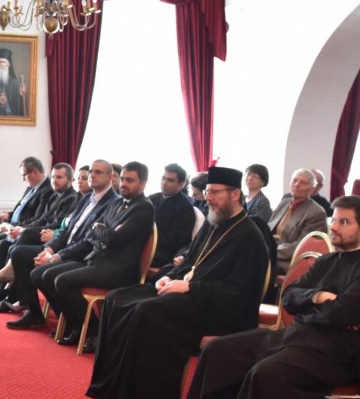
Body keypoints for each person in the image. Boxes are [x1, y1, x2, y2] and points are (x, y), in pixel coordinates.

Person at [188, 196, 360, 399]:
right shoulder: (326, 261)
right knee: (218, 351)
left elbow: (340, 314)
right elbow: (289, 298)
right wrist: (318, 297)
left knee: (268, 373)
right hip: (299, 337)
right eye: (334, 220)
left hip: (339, 353)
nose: (334, 227)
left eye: (343, 222)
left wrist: (308, 308)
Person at [86, 166, 268, 399]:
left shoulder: (250, 237)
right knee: (116, 299)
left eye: (215, 192)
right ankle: (111, 387)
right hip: (189, 295)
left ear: (235, 194)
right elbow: (190, 261)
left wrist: (190, 287)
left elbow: (238, 293)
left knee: (148, 311)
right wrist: (169, 276)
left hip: (218, 311)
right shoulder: (213, 223)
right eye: (207, 191)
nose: (208, 198)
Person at [45, 161, 154, 351]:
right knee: (49, 275)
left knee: (62, 281)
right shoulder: (116, 202)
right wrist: (102, 232)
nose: (123, 184)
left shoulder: (144, 207)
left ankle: (94, 331)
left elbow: (113, 238)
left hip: (118, 269)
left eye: (130, 180)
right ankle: (77, 326)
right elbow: (94, 233)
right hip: (98, 260)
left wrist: (104, 233)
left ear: (143, 184)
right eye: (122, 179)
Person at [3, 160, 117, 325]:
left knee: (42, 274)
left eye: (98, 172)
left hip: (82, 256)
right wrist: (49, 249)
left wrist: (55, 257)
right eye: (91, 171)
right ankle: (34, 312)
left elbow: (88, 242)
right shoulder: (86, 198)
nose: (92, 175)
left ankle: (75, 324)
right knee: (19, 253)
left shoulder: (113, 203)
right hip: (64, 248)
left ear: (110, 177)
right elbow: (66, 230)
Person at [0, 156, 53, 296]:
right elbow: (22, 208)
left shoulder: (48, 191)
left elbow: (37, 219)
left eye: (24, 175)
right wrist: (8, 215)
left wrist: (13, 226)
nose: (23, 179)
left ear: (34, 172)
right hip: (13, 224)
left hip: (22, 228)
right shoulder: (31, 187)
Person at [269, 168, 329, 273]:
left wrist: (269, 251)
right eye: (295, 180)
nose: (297, 185)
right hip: (270, 249)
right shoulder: (284, 203)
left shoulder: (316, 212)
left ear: (312, 189)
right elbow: (268, 229)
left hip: (288, 259)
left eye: (303, 183)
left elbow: (303, 246)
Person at [149, 163, 195, 268]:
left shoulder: (185, 208)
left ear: (181, 184)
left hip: (165, 254)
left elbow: (175, 241)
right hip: (145, 245)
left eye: (170, 180)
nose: (164, 183)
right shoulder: (152, 198)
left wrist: (147, 239)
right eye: (163, 178)